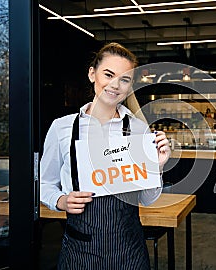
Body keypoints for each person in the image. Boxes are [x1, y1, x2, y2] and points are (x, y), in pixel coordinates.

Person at [40, 42, 170, 269]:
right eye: (108, 74)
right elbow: (44, 183)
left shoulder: (139, 130)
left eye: (124, 79)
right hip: (79, 251)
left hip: (129, 251)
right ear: (92, 74)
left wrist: (156, 167)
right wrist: (61, 201)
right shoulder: (62, 128)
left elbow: (147, 200)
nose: (115, 85)